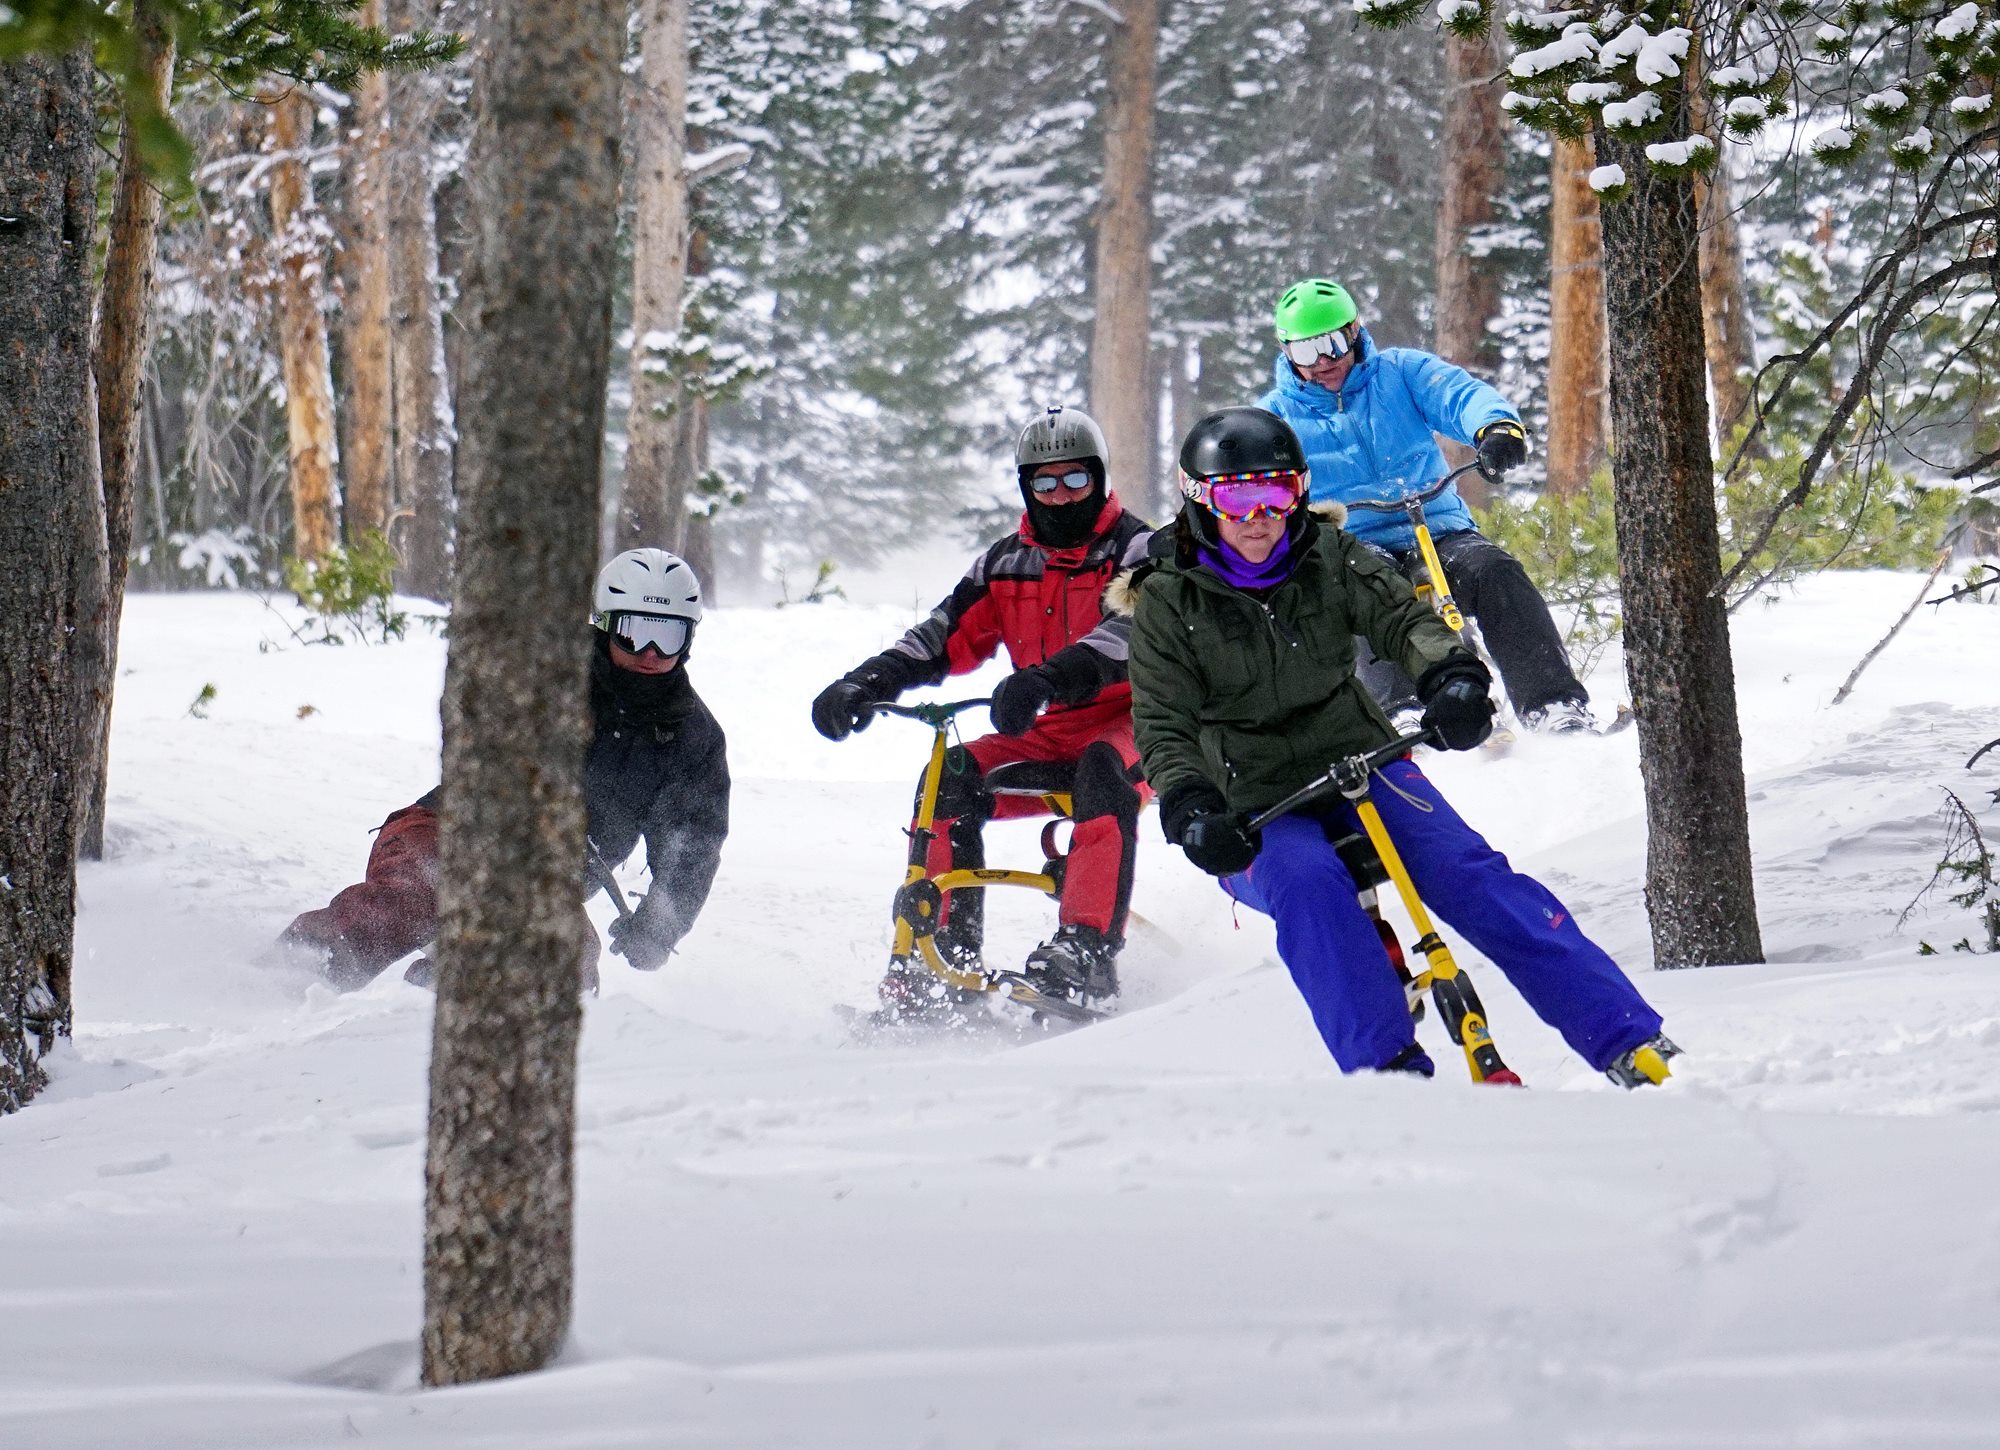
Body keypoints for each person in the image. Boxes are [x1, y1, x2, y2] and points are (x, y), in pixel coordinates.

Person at [1117, 406, 1675, 1086]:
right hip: (1247, 801)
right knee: (1309, 885)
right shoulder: (1170, 600)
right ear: (1200, 498)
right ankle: (1390, 1075)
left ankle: (1623, 1036)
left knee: (1467, 871)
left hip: (1355, 762)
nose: (1260, 516)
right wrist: (1191, 806)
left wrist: (1451, 676)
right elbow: (1164, 723)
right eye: (1238, 496)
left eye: (1279, 492)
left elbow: (1401, 620)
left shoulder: (1327, 556)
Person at [811, 405, 1154, 1014]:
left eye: (1075, 479)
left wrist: (1048, 678)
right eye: (1043, 483)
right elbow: (940, 636)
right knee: (950, 777)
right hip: (1047, 733)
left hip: (1136, 727)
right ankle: (942, 950)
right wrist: (863, 683)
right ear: (1026, 487)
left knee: (1103, 768)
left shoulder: (1139, 548)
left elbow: (1134, 633)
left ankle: (1086, 949)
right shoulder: (1004, 564)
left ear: (1099, 478)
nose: (1060, 495)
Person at [271, 548, 730, 992]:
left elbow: (692, 847)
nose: (651, 652)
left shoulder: (693, 741)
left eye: (668, 636)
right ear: (606, 628)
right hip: (450, 829)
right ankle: (294, 971)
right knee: (427, 892)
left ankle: (432, 1009)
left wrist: (658, 926)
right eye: (635, 633)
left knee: (568, 959)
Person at [1258, 277, 1594, 733]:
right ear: (1285, 352)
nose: (1322, 362)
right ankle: (1402, 711)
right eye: (1305, 352)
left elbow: (1458, 395)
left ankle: (1551, 704)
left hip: (1435, 523)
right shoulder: (1276, 416)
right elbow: (1255, 477)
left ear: (1355, 331)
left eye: (1333, 344)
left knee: (1495, 573)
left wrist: (1495, 428)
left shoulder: (1399, 373)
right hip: (1352, 538)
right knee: (1368, 593)